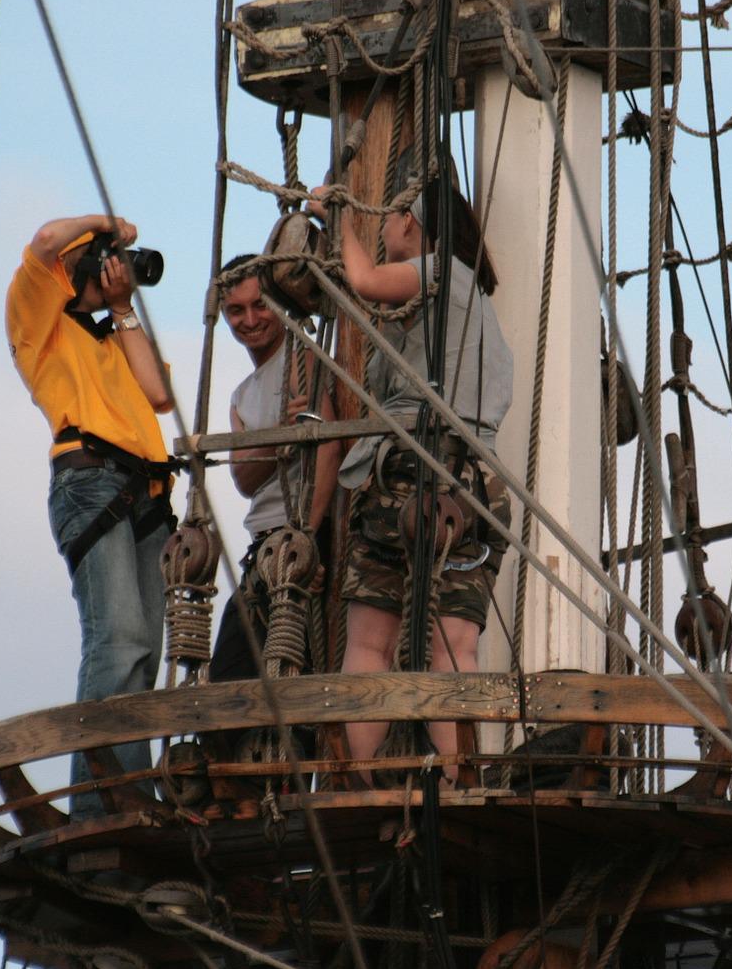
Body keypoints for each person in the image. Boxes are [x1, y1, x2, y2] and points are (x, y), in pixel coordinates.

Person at [305, 172, 513, 769]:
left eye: (390, 217)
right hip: (477, 484)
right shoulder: (471, 300)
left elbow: (365, 281)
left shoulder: (441, 270)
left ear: (412, 223)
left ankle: (363, 781)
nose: (382, 227)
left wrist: (337, 217)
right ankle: (451, 780)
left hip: (414, 471)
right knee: (456, 648)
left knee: (370, 643)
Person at [6, 213, 174, 814]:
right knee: (118, 637)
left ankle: (127, 790)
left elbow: (159, 395)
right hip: (91, 481)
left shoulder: (111, 336)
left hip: (146, 492)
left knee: (145, 650)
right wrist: (109, 225)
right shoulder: (39, 327)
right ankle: (101, 804)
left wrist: (124, 306)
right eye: (103, 263)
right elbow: (47, 240)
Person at [209, 256, 340, 681]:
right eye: (235, 310)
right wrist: (282, 435)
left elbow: (329, 447)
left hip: (304, 539)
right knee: (228, 680)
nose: (250, 320)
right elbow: (243, 480)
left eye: (260, 304)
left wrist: (309, 539)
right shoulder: (241, 396)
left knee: (301, 682)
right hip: (264, 551)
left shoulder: (303, 359)